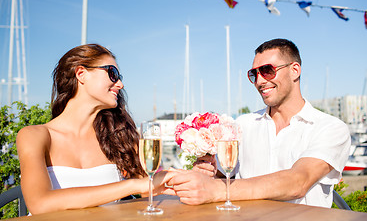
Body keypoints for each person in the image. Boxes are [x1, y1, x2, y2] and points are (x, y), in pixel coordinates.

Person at [165, 38, 351, 208]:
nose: (259, 81)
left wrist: (216, 190)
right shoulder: (242, 125)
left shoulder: (330, 128)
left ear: (294, 70)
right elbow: (220, 174)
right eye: (254, 74)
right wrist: (206, 173)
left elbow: (298, 182)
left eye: (267, 71)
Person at [16, 44, 172, 214]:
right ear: (81, 74)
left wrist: (194, 173)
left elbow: (150, 191)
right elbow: (40, 204)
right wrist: (131, 185)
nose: (120, 84)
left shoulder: (118, 136)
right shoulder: (34, 136)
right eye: (112, 74)